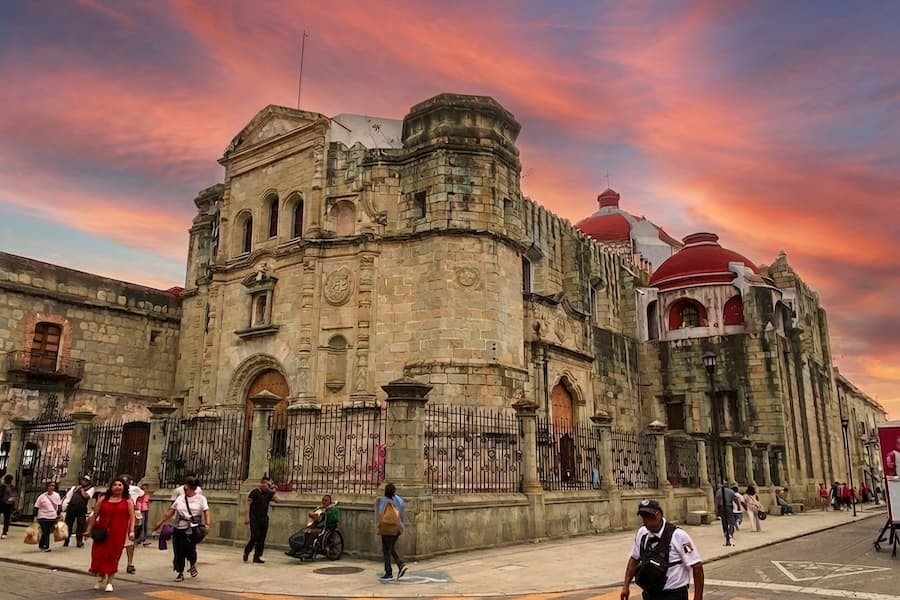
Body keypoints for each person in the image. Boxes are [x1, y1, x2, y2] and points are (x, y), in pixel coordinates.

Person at [620, 499, 704, 600]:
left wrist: (698, 597)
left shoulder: (678, 535)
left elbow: (697, 566)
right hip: (650, 593)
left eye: (648, 517)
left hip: (674, 594)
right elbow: (634, 559)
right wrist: (626, 586)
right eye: (643, 517)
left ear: (658, 515)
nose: (645, 521)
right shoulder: (642, 533)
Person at [152, 475, 209, 583]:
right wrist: (160, 522)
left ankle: (192, 563)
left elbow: (206, 511)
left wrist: (207, 524)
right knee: (178, 551)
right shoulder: (180, 498)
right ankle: (180, 572)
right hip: (179, 527)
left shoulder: (201, 499)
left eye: (186, 488)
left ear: (192, 488)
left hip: (192, 528)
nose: (184, 490)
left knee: (190, 549)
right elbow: (171, 510)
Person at [84, 477, 136, 593]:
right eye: (115, 485)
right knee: (99, 555)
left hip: (118, 533)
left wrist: (131, 531)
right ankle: (101, 576)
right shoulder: (103, 499)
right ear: (111, 487)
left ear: (124, 487)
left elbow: (132, 518)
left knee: (113, 556)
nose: (117, 487)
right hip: (102, 532)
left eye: (120, 485)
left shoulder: (127, 501)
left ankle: (109, 581)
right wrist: (89, 529)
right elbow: (94, 515)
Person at [287, 493, 339, 559]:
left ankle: (310, 551)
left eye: (326, 500)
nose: (324, 502)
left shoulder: (333, 509)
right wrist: (313, 514)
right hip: (316, 525)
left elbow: (334, 518)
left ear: (330, 501)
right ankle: (296, 549)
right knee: (303, 531)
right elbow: (314, 513)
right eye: (323, 500)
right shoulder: (320, 508)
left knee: (311, 533)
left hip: (325, 527)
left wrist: (325, 513)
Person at [244, 476, 278, 563]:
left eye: (269, 484)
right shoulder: (255, 492)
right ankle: (247, 551)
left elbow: (277, 500)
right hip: (254, 518)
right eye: (267, 484)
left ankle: (257, 556)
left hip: (264, 518)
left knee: (262, 538)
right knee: (255, 536)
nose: (268, 486)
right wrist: (247, 517)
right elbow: (248, 504)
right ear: (262, 483)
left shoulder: (268, 493)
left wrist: (273, 489)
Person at [376, 483, 407, 581]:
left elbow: (381, 514)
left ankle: (388, 572)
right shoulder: (399, 500)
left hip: (387, 528)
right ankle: (400, 564)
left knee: (386, 550)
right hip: (397, 527)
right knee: (391, 547)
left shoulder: (384, 500)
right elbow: (402, 512)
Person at [118, 474, 143, 574]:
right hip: (117, 522)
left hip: (128, 521)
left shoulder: (131, 494)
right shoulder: (114, 494)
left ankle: (129, 564)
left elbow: (135, 510)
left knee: (129, 544)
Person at [62, 475, 95, 547]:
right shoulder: (74, 488)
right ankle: (66, 540)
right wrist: (65, 505)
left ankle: (79, 541)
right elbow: (68, 496)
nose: (83, 481)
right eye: (83, 480)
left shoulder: (90, 489)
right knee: (68, 524)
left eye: (86, 481)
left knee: (80, 525)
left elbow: (86, 496)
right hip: (71, 507)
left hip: (81, 509)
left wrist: (81, 489)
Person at [33, 481, 62, 552]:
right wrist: (35, 517)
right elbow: (36, 507)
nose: (52, 487)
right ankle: (46, 546)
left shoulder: (57, 495)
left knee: (47, 531)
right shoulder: (42, 497)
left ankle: (41, 544)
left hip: (52, 516)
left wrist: (58, 515)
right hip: (43, 516)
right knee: (45, 531)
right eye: (50, 486)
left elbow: (59, 506)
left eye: (53, 486)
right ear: (47, 487)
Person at [0, 474, 18, 539]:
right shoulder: (13, 487)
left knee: (6, 519)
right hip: (9, 505)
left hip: (2, 503)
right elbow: (15, 497)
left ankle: (4, 532)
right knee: (6, 519)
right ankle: (5, 532)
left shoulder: (2, 486)